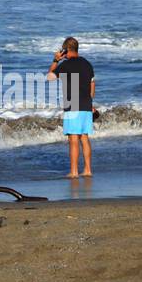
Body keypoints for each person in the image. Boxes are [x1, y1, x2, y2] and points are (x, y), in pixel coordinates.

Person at [47, 36, 96, 177]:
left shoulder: (66, 65)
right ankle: (88, 170)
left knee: (73, 139)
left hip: (73, 104)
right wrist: (90, 102)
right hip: (86, 104)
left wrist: (56, 60)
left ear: (66, 50)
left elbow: (50, 77)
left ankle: (74, 172)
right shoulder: (88, 64)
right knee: (84, 138)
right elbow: (92, 84)